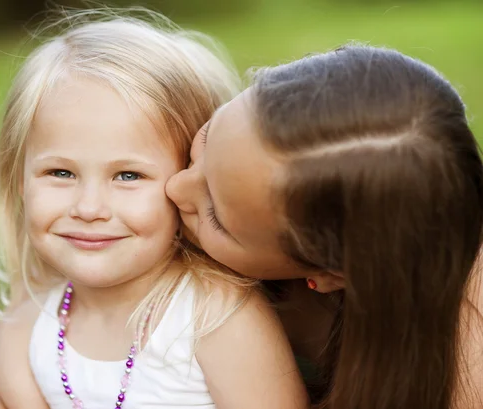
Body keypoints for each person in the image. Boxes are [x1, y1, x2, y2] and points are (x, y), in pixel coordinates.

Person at [0, 11, 309, 409]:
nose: (89, 208)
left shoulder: (212, 317)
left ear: (190, 183)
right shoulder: (35, 319)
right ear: (20, 182)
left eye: (128, 176)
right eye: (61, 172)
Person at [165, 44, 483, 409]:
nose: (174, 186)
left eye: (217, 218)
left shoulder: (463, 374)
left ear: (330, 274)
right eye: (207, 139)